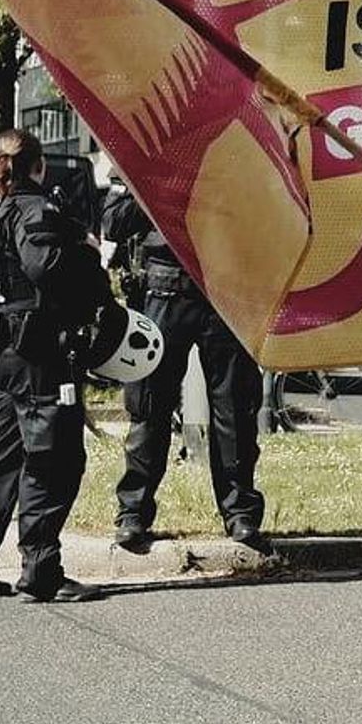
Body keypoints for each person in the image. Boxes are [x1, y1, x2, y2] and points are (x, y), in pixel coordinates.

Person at [0, 130, 111, 603]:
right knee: (53, 457)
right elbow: (46, 267)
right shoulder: (33, 208)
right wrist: (88, 258)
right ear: (37, 166)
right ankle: (41, 570)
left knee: (0, 451)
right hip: (33, 349)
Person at [100, 184, 269, 555]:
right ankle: (134, 513)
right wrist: (153, 189)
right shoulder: (153, 153)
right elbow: (112, 222)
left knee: (235, 408)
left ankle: (240, 513)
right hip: (164, 289)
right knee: (149, 407)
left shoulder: (236, 150)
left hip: (227, 289)